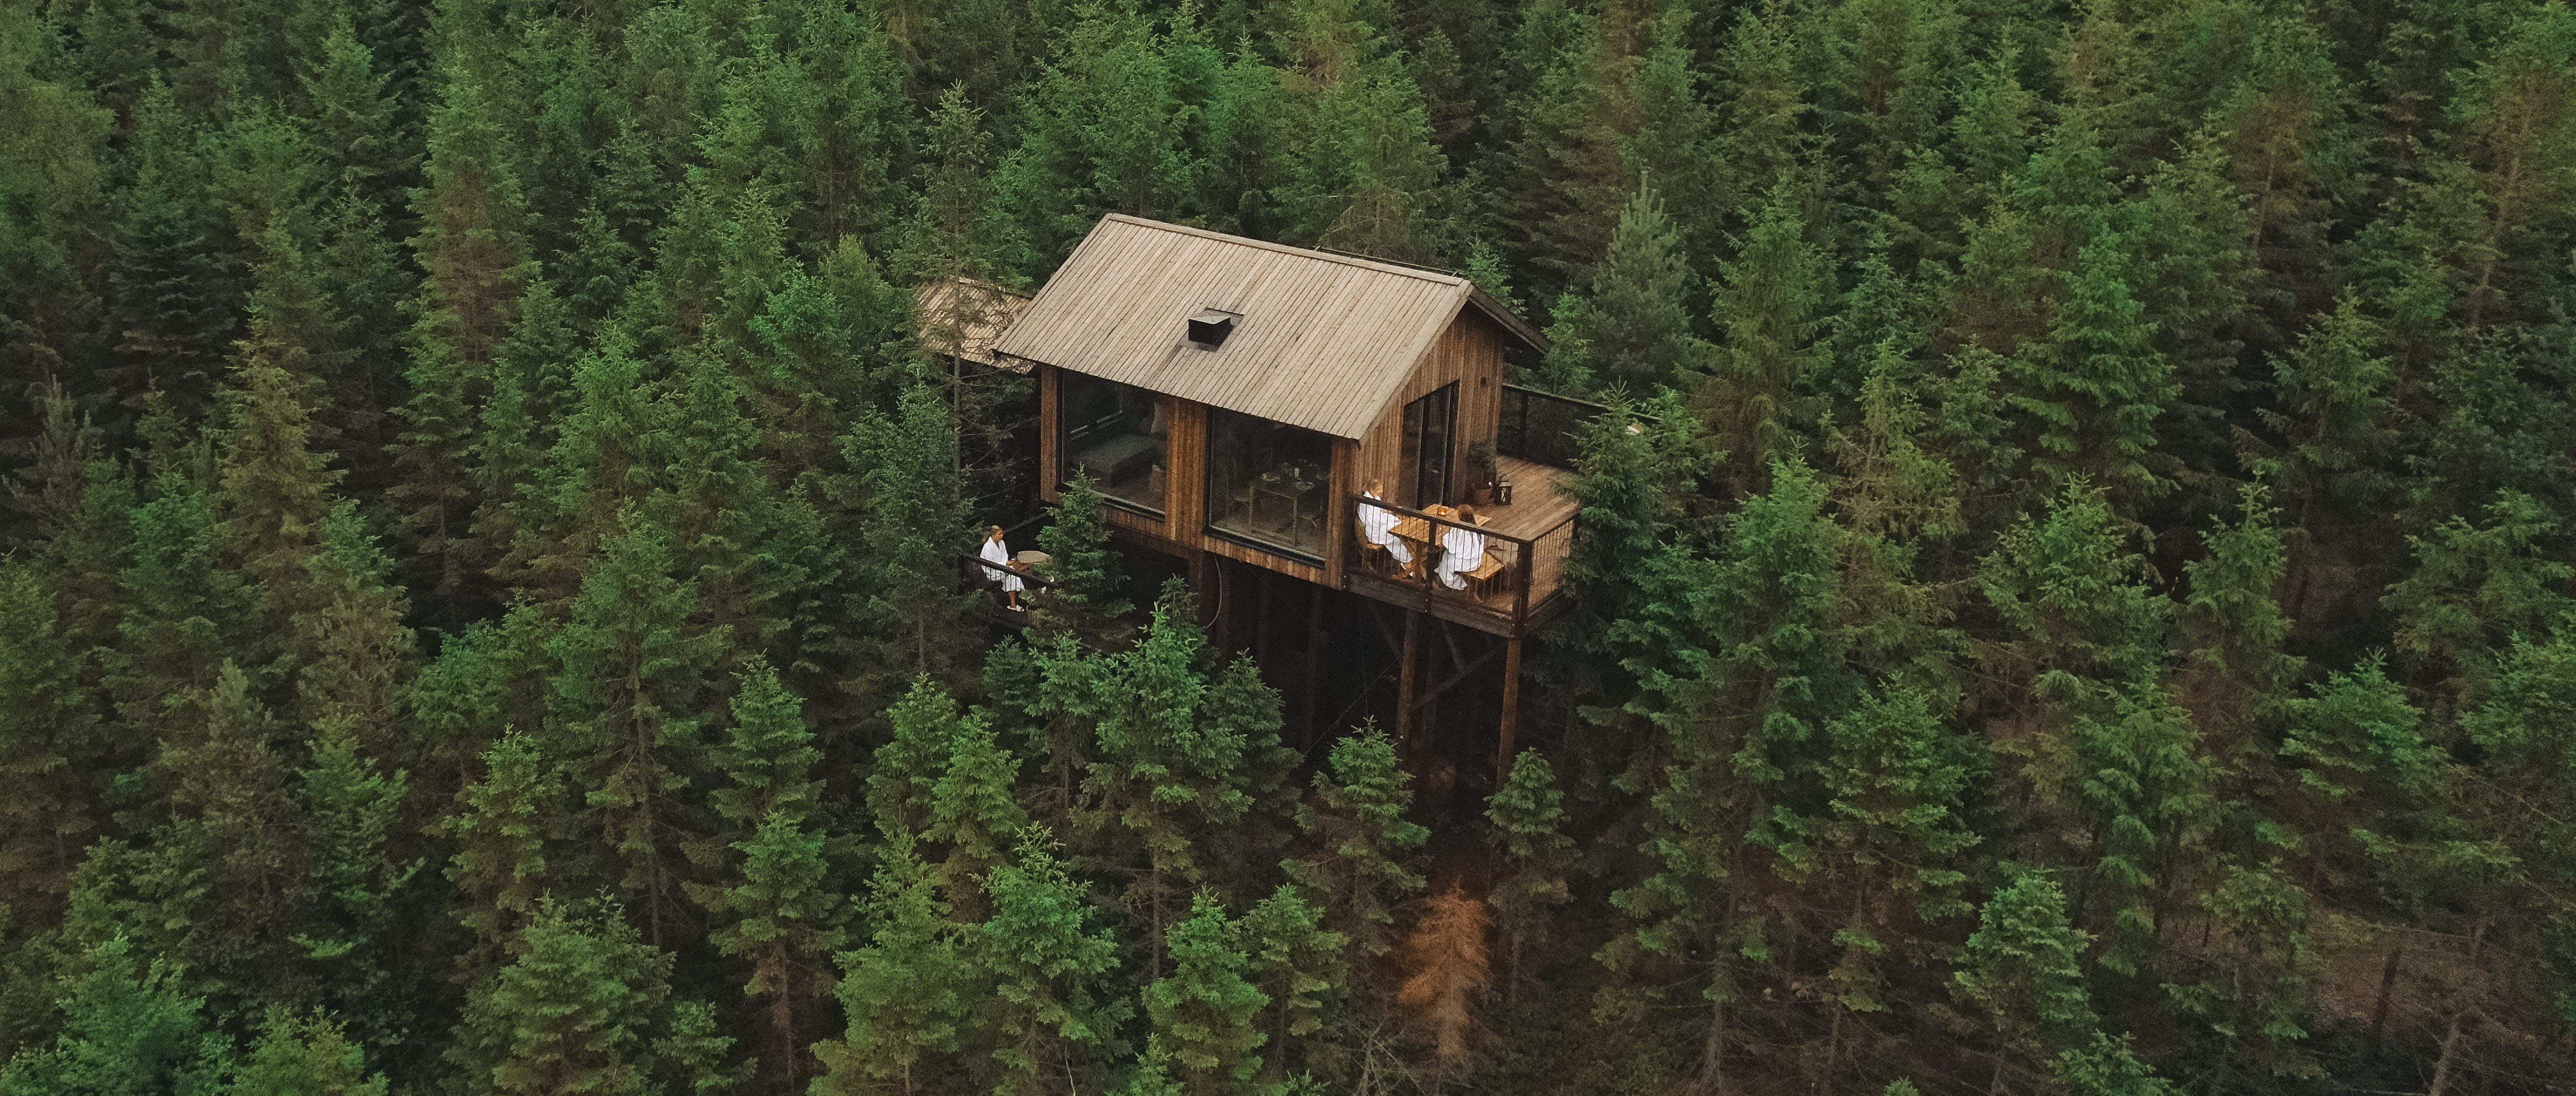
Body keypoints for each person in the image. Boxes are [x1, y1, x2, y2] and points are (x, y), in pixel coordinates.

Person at [1358, 479, 1412, 572]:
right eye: (1379, 489)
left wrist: (1388, 516)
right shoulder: (1366, 503)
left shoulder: (1375, 499)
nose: (1381, 492)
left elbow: (1380, 513)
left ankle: (1408, 557)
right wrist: (1386, 517)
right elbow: (1374, 521)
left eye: (1382, 489)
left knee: (1399, 526)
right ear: (1372, 490)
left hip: (1380, 527)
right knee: (1398, 535)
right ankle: (1406, 561)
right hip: (1375, 532)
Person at [1436, 505, 1487, 591]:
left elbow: (1451, 548)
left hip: (1462, 564)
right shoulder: (1478, 529)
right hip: (1476, 562)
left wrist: (1443, 534)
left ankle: (1459, 584)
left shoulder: (1459, 530)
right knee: (1446, 555)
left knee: (1447, 558)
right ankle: (1440, 571)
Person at [979, 525, 1025, 610]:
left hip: (1002, 567)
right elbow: (990, 564)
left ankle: (1015, 602)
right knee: (1012, 575)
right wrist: (1005, 564)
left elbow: (1005, 556)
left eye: (1002, 534)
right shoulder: (988, 547)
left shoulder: (1002, 543)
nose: (1002, 536)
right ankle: (1013, 604)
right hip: (992, 571)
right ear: (994, 535)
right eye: (1000, 534)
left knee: (1014, 573)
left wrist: (1007, 564)